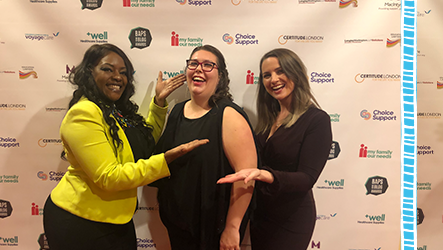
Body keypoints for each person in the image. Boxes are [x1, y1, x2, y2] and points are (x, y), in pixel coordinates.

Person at [43, 43, 207, 250]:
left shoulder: (115, 110)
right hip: (81, 220)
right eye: (107, 69)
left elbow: (144, 141)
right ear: (88, 73)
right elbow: (109, 176)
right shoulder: (83, 113)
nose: (118, 77)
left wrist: (159, 102)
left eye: (123, 72)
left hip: (115, 218)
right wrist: (164, 161)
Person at [217, 48, 332, 250]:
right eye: (267, 75)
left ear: (296, 74)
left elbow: (307, 178)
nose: (273, 79)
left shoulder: (316, 120)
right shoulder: (267, 121)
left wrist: (266, 175)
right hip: (261, 215)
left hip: (292, 218)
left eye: (280, 71)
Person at [152, 45, 257, 250]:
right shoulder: (177, 111)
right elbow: (161, 160)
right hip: (179, 226)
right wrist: (158, 101)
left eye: (208, 65)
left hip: (213, 230)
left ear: (220, 76)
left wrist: (232, 228)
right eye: (193, 63)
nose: (199, 69)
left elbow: (246, 176)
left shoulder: (229, 115)